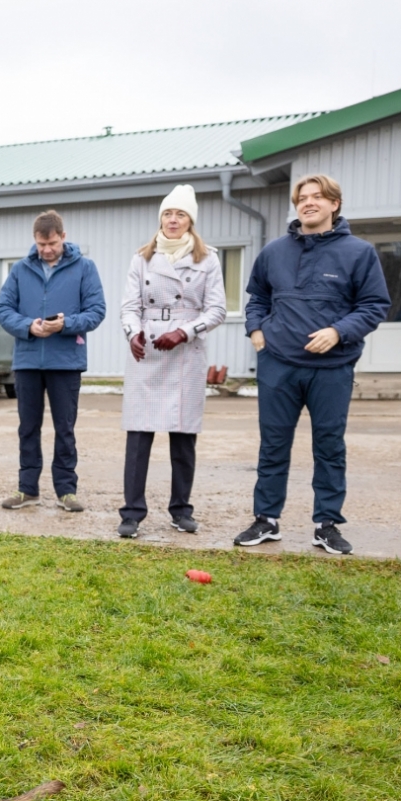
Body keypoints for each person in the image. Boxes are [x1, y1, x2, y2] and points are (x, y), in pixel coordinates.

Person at [235, 174, 390, 555]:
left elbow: (374, 305)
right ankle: (266, 520)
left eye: (318, 197)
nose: (309, 203)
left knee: (329, 446)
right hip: (279, 366)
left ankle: (327, 524)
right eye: (302, 198)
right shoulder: (274, 252)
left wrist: (339, 332)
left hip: (332, 368)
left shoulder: (358, 252)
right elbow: (257, 298)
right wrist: (257, 332)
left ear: (334, 204)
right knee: (273, 445)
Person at [117, 185, 227, 538]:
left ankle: (181, 510)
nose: (173, 220)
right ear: (160, 218)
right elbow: (129, 306)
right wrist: (133, 333)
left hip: (185, 353)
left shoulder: (207, 257)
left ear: (190, 220)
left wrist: (185, 332)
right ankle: (132, 512)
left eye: (180, 214)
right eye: (168, 213)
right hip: (148, 348)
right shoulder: (142, 257)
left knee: (183, 437)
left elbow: (217, 309)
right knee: (138, 438)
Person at [0, 210, 106, 512]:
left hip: (66, 362)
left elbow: (96, 310)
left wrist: (66, 324)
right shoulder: (20, 269)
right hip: (28, 361)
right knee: (28, 427)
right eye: (41, 244)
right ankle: (27, 489)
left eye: (52, 243)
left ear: (63, 237)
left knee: (65, 428)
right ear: (35, 240)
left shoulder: (85, 268)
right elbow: (3, 309)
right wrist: (27, 326)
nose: (46, 249)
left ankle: (66, 491)